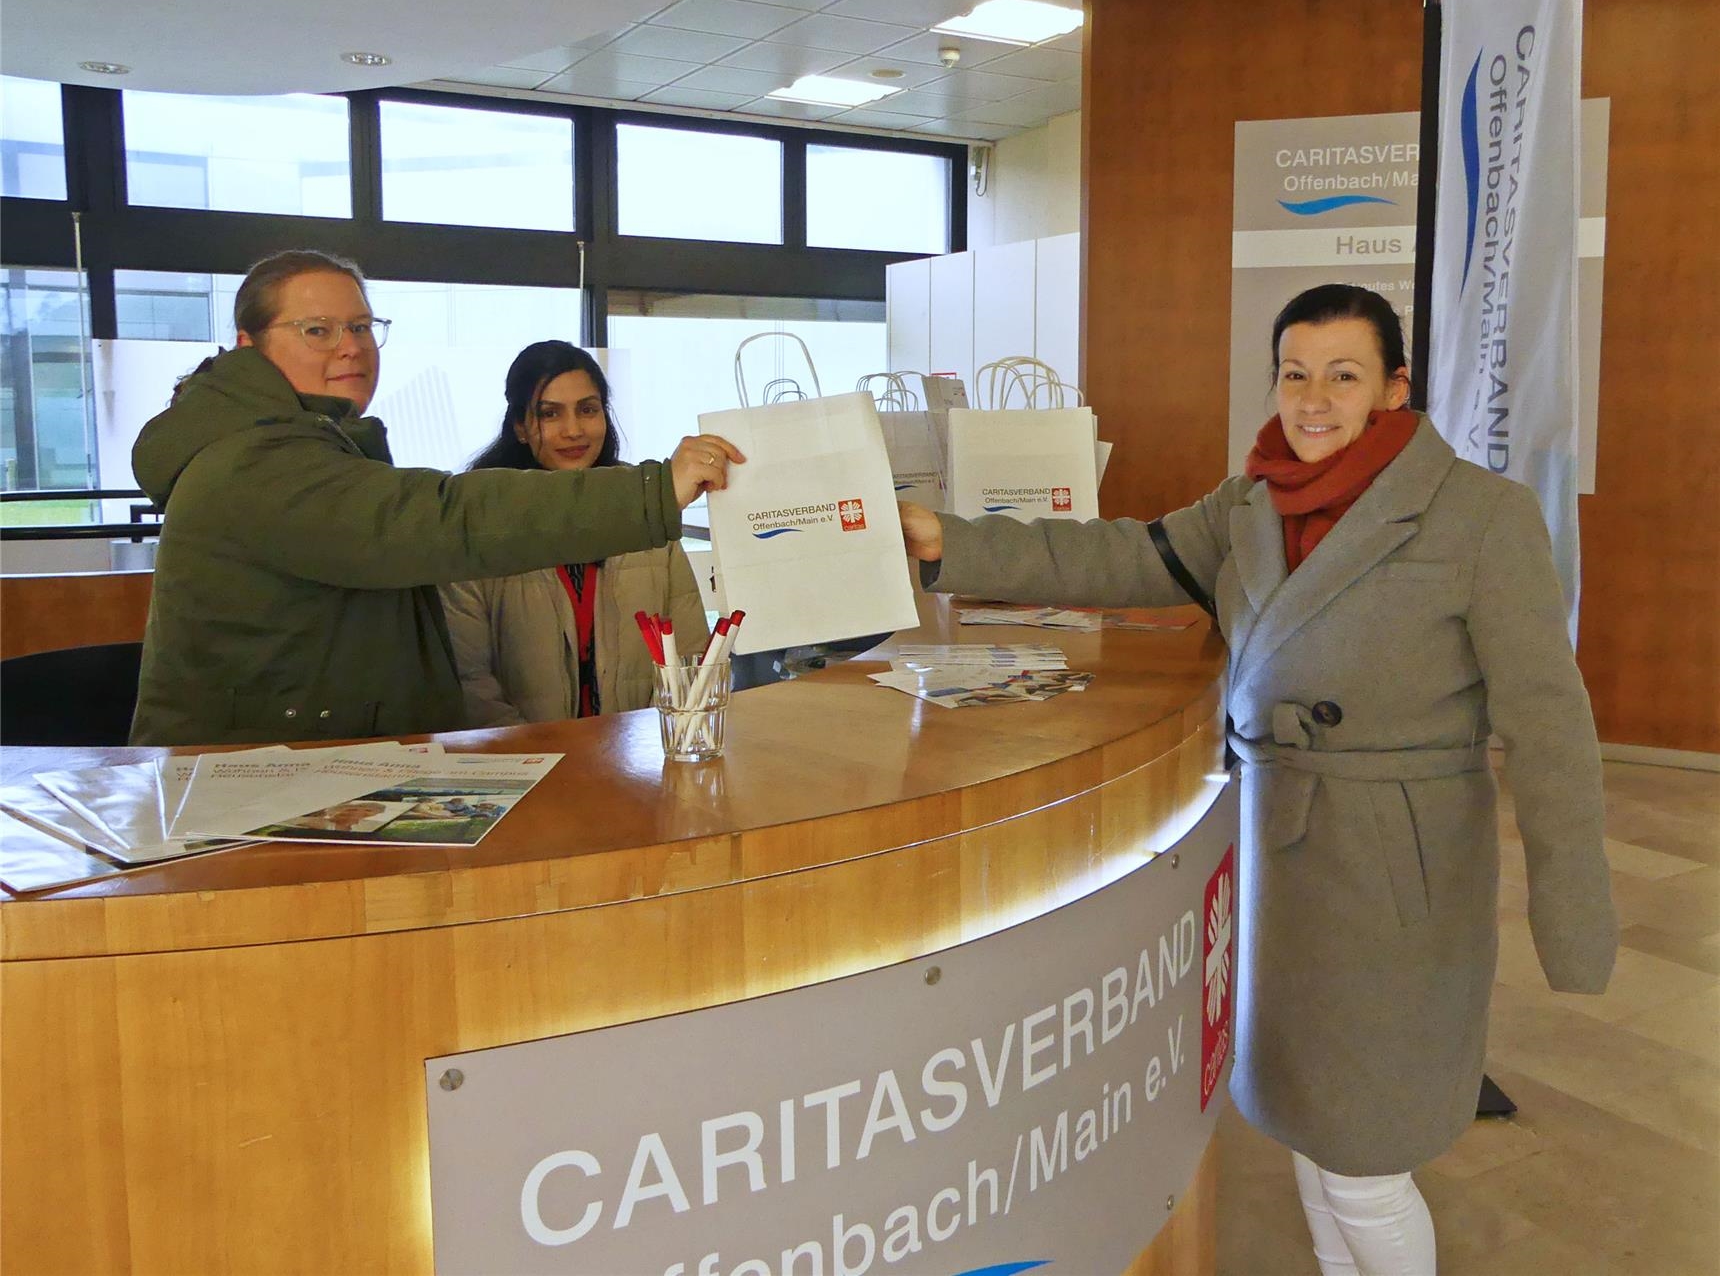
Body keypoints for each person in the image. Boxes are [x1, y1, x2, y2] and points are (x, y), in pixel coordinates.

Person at [897, 284, 1617, 1276]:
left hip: (1396, 877)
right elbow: (1119, 554)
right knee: (1312, 1135)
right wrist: (952, 541)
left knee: (1365, 1157)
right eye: (1293, 373)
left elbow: (1547, 720)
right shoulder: (1249, 507)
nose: (1312, 399)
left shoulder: (1479, 515)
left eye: (1342, 375)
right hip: (1275, 857)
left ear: (1394, 387)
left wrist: (1572, 911)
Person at [130, 249, 741, 746]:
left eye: (362, 327)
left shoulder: (311, 445)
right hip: (252, 788)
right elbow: (444, 520)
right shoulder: (258, 459)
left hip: (305, 769)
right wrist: (656, 490)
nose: (350, 346)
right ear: (248, 345)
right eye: (317, 330)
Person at [441, 341, 707, 725]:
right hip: (524, 766)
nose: (574, 430)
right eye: (550, 414)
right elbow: (468, 681)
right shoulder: (482, 520)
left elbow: (689, 656)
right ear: (519, 426)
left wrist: (646, 745)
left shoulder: (646, 515)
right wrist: (542, 756)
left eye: (588, 409)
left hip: (637, 761)